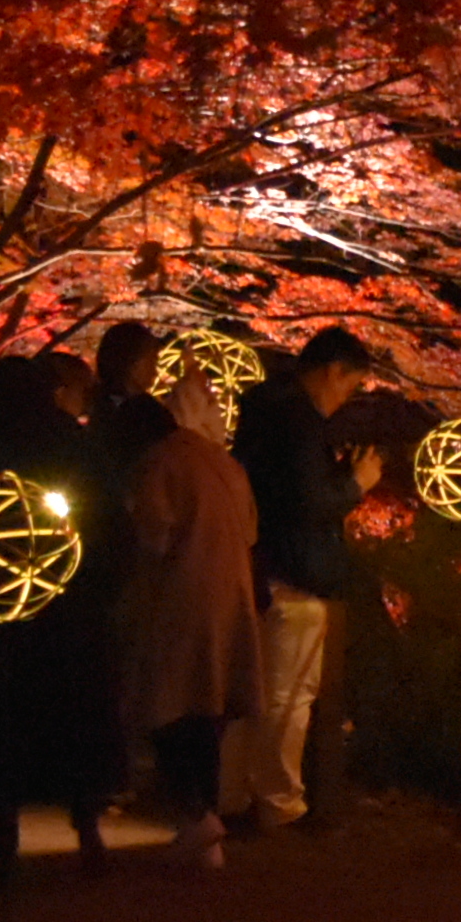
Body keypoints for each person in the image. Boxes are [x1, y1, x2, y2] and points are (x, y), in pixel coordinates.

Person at [0, 352, 124, 881]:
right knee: (79, 724)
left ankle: (5, 851)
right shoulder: (76, 446)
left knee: (1, 730)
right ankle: (89, 834)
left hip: (0, 616)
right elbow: (114, 526)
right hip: (73, 612)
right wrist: (99, 588)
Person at [113, 339, 262, 867]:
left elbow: (154, 535)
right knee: (211, 712)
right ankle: (205, 827)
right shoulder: (229, 466)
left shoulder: (161, 463)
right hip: (231, 600)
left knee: (170, 709)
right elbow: (249, 530)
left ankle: (197, 816)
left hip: (179, 601)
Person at [228, 325, 382, 832]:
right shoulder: (298, 422)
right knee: (287, 695)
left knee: (265, 690)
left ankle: (242, 793)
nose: (346, 399)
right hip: (295, 572)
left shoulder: (264, 414)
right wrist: (355, 483)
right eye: (349, 385)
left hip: (264, 566)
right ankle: (277, 800)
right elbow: (307, 502)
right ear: (333, 370)